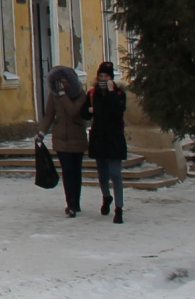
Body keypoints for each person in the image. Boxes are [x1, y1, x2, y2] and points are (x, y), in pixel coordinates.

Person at [37, 64, 91, 217]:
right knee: (67, 171)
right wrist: (42, 132)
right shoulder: (55, 96)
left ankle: (76, 201)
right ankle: (71, 204)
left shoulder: (81, 95)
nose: (62, 84)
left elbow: (73, 112)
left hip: (77, 138)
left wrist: (63, 95)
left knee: (76, 171)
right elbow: (49, 115)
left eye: (64, 81)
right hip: (61, 138)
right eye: (59, 81)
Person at [87, 61, 129, 224]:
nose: (103, 79)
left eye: (106, 76)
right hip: (99, 137)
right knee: (102, 174)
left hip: (114, 138)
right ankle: (106, 197)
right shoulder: (93, 93)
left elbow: (118, 111)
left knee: (115, 174)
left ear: (111, 78)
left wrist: (111, 92)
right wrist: (88, 110)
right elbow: (85, 113)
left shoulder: (119, 94)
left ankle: (119, 209)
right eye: (101, 76)